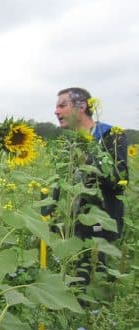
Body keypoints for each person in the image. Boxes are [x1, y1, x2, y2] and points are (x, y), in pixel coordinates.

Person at [54, 87, 128, 282]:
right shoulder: (67, 141)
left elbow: (119, 180)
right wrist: (49, 210)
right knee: (69, 271)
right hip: (71, 221)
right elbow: (60, 180)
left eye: (62, 105)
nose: (56, 111)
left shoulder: (110, 136)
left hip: (98, 219)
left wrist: (89, 160)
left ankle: (93, 312)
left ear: (82, 106)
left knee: (92, 273)